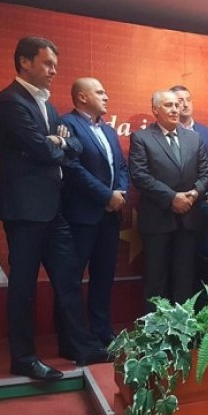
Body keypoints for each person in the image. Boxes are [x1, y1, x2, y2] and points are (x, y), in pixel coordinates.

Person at [0, 36, 111, 380]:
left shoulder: (48, 106)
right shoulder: (9, 101)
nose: (53, 71)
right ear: (25, 62)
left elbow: (72, 146)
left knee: (68, 279)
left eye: (55, 65)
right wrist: (57, 143)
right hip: (24, 209)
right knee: (24, 286)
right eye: (47, 63)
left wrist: (58, 141)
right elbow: (42, 149)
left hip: (53, 207)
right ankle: (23, 357)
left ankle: (79, 346)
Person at [129, 91, 208, 313]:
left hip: (188, 219)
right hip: (157, 220)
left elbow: (206, 173)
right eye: (169, 105)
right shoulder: (142, 137)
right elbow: (140, 176)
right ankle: (155, 330)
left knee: (184, 280)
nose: (175, 109)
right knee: (156, 281)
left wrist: (194, 194)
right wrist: (172, 198)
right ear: (155, 110)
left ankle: (182, 328)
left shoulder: (193, 138)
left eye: (177, 105)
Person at [61, 77, 129, 347]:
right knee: (72, 278)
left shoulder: (109, 130)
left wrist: (120, 192)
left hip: (110, 216)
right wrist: (105, 195)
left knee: (103, 276)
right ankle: (73, 337)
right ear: (82, 97)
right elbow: (72, 167)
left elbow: (121, 167)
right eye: (100, 92)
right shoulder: (67, 124)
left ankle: (102, 331)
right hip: (82, 216)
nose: (106, 97)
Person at [170, 85, 208, 308]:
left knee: (203, 257)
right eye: (179, 100)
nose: (185, 104)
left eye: (188, 99)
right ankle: (180, 309)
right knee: (180, 260)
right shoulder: (167, 132)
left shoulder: (205, 132)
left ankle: (203, 309)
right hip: (177, 205)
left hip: (202, 204)